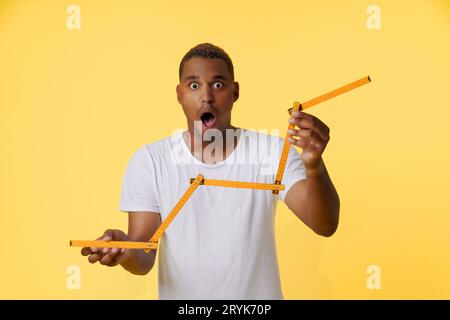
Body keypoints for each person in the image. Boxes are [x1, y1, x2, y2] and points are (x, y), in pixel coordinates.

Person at [80, 43, 340, 299]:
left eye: (218, 84)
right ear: (179, 94)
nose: (206, 96)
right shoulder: (150, 161)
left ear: (235, 92)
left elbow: (324, 224)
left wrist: (314, 165)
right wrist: (124, 249)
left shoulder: (271, 153)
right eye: (194, 85)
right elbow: (143, 256)